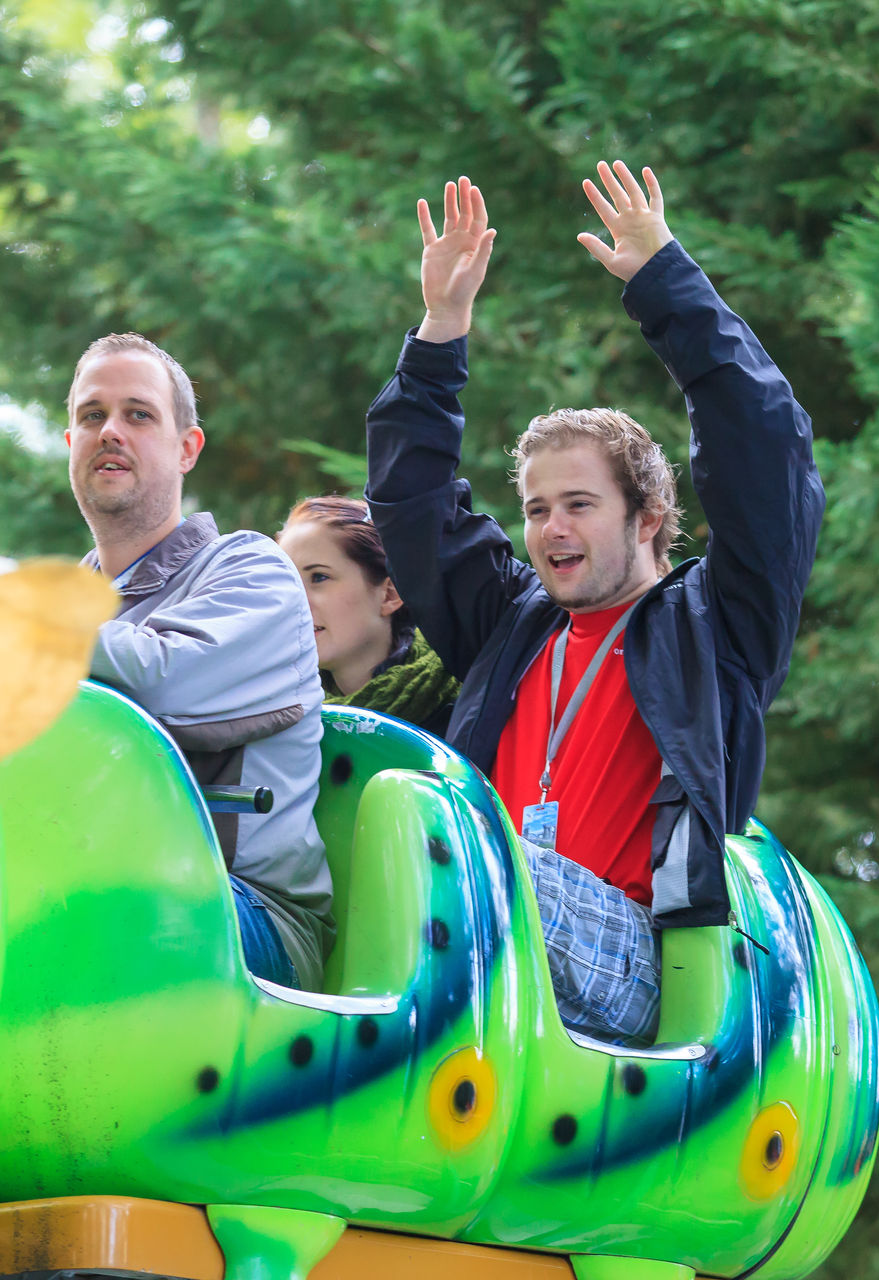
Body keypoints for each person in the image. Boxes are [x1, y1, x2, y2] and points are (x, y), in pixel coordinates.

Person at [364, 165, 823, 1044]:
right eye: (537, 509)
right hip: (494, 950)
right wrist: (441, 328)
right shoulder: (512, 625)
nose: (551, 529)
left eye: (578, 505)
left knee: (476, 858)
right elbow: (412, 506)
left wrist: (666, 283)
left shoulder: (716, 626)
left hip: (636, 959)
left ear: (647, 517)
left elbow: (766, 452)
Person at [68, 332, 333, 990]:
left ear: (187, 448)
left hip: (246, 912)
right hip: (87, 886)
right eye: (92, 415)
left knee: (87, 918)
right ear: (70, 442)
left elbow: (162, 686)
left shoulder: (252, 570)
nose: (110, 431)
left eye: (138, 414)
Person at [277, 495, 460, 737]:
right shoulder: (277, 720)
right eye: (286, 582)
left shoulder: (468, 708)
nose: (294, 602)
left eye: (319, 577)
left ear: (390, 594)